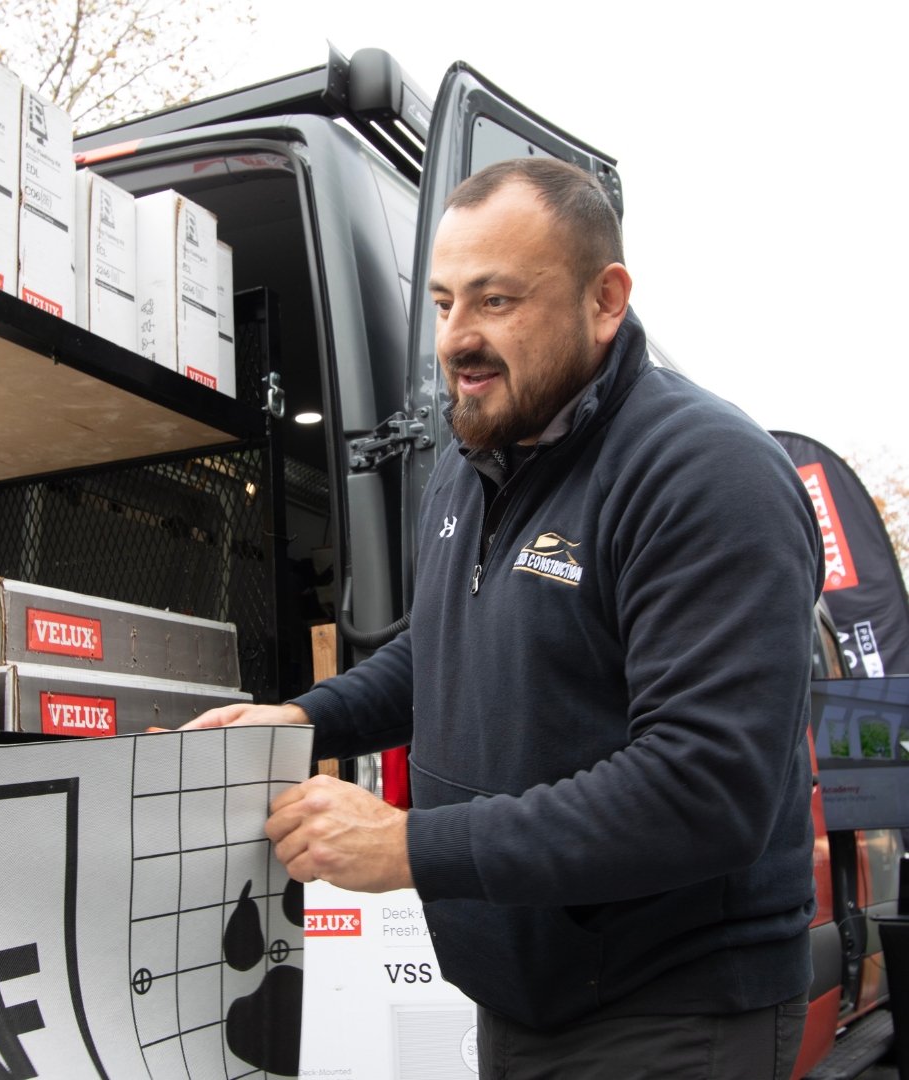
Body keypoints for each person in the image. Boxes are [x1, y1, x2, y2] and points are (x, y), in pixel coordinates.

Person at [185, 157, 823, 1079]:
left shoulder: (706, 473)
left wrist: (407, 844)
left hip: (668, 1010)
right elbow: (443, 648)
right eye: (444, 304)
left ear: (605, 300)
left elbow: (705, 790)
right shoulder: (473, 458)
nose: (457, 340)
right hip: (518, 995)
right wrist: (302, 720)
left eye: (495, 301)